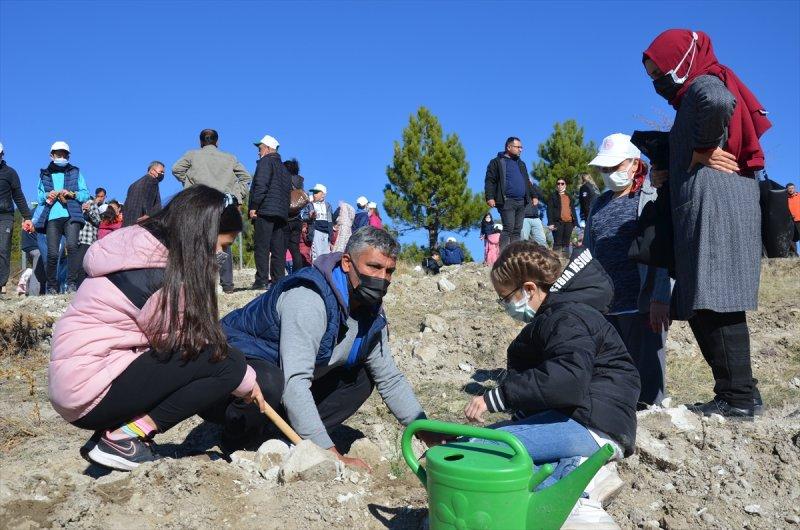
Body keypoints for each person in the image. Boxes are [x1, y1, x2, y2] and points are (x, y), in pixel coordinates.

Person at [48, 186, 264, 471]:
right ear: (201, 233)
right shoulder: (161, 278)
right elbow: (187, 345)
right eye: (223, 245)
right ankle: (124, 437)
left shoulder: (139, 250)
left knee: (223, 361)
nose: (221, 255)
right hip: (90, 387)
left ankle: (113, 434)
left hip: (76, 380)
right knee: (228, 364)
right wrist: (246, 381)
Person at [219, 227, 446, 467]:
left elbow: (390, 379)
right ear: (347, 263)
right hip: (228, 378)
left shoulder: (371, 312)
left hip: (281, 386)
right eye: (373, 267)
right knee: (268, 380)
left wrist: (427, 432)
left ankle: (281, 436)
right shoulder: (309, 298)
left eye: (389, 271)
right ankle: (238, 443)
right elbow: (295, 381)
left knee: (363, 376)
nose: (381, 278)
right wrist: (329, 454)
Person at [464, 242, 640, 529]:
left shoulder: (568, 317)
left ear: (529, 289)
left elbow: (567, 381)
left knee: (484, 447)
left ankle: (579, 495)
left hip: (592, 425)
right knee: (504, 448)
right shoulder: (561, 315)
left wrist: (497, 397)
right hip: (587, 422)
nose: (505, 307)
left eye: (505, 298)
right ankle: (580, 472)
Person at [643, 29, 770, 418]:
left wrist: (703, 148)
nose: (657, 83)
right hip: (709, 206)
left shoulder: (703, 84)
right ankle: (739, 392)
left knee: (716, 300)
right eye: (651, 76)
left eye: (659, 72)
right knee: (703, 301)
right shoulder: (692, 93)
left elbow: (719, 101)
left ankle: (738, 399)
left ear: (681, 63)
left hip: (716, 206)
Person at [586, 133, 672, 407]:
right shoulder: (598, 204)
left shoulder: (651, 196)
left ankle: (653, 421)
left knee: (648, 382)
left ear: (634, 164)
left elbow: (662, 250)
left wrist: (661, 296)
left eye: (615, 166)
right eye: (604, 168)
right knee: (613, 375)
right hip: (606, 308)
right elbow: (589, 252)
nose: (608, 173)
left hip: (642, 304)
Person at [173, 128, 252, 293]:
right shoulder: (230, 158)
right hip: (224, 204)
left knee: (199, 242)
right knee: (223, 243)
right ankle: (227, 284)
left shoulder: (192, 155)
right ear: (217, 142)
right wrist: (237, 194)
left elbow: (176, 169)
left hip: (200, 203)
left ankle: (201, 283)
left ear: (201, 142)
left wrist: (189, 184)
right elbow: (246, 177)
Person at [34, 141, 89, 294]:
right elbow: (39, 197)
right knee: (52, 253)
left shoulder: (76, 172)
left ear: (68, 155)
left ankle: (71, 284)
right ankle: (52, 286)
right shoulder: (44, 173)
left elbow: (85, 194)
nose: (61, 156)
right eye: (59, 153)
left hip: (72, 215)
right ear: (51, 155)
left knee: (72, 247)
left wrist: (73, 194)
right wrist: (47, 195)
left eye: (64, 154)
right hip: (52, 216)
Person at [248, 134, 291, 290]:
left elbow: (261, 185)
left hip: (265, 210)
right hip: (281, 214)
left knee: (262, 247)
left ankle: (261, 281)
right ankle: (278, 281)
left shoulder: (265, 162)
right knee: (278, 249)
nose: (258, 152)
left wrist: (254, 206)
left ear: (267, 148)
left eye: (260, 149)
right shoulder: (284, 168)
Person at [484, 137, 537, 249]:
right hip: (506, 201)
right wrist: (490, 197)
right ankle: (504, 255)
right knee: (508, 228)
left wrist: (534, 195)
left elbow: (527, 181)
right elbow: (490, 180)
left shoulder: (521, 164)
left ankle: (514, 255)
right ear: (509, 147)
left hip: (521, 201)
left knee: (517, 230)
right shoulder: (497, 162)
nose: (521, 150)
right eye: (518, 147)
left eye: (521, 147)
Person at [0, 142, 34, 295]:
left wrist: (27, 216)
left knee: (3, 248)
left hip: (5, 215)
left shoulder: (10, 173)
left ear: (2, 155)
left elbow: (18, 196)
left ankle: (1, 283)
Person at [123, 161, 164, 227]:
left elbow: (126, 204)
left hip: (128, 223)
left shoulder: (133, 185)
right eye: (161, 172)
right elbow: (149, 199)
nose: (162, 174)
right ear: (152, 171)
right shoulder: (152, 181)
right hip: (142, 223)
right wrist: (148, 215)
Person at [283, 158, 306, 272]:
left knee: (280, 248)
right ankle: (298, 273)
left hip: (286, 218)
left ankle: (279, 275)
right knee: (295, 249)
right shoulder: (300, 182)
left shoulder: (284, 180)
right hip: (297, 218)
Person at [302, 184, 333, 262]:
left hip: (326, 233)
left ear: (323, 194)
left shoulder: (328, 205)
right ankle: (316, 273)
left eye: (316, 192)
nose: (314, 194)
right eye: (313, 192)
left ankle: (324, 273)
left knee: (326, 256)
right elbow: (303, 216)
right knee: (316, 255)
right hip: (315, 231)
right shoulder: (310, 205)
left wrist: (331, 235)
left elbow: (330, 220)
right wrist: (310, 217)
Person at [547, 178, 578, 255]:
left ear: (565, 185)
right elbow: (549, 210)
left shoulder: (569, 196)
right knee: (557, 243)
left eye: (562, 183)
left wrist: (575, 223)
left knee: (566, 244)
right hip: (557, 223)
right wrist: (550, 223)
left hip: (569, 223)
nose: (560, 185)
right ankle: (556, 262)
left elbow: (573, 210)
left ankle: (565, 262)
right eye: (558, 183)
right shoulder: (552, 196)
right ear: (556, 186)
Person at [75, 197, 101, 286]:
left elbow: (98, 221)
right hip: (77, 240)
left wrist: (89, 210)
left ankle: (82, 289)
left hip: (88, 240)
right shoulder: (75, 204)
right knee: (77, 266)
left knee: (82, 267)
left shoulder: (91, 203)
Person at [520, 181, 547, 246]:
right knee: (523, 241)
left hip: (535, 218)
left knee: (542, 241)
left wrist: (533, 185)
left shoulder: (532, 187)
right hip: (524, 218)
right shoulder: (519, 187)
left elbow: (541, 195)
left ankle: (542, 255)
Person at [788, 183, 800, 254]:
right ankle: (795, 255)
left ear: (794, 188)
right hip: (791, 222)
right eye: (789, 188)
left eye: (792, 188)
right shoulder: (785, 198)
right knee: (793, 239)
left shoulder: (799, 196)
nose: (790, 190)